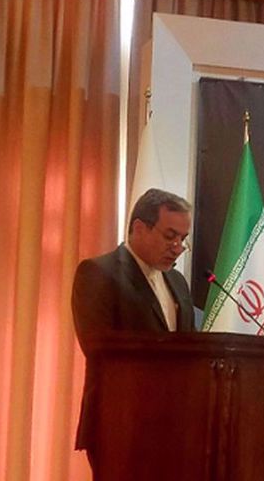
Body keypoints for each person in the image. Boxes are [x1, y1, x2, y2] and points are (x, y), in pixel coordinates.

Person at [71, 188, 196, 465]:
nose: (177, 247)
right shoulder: (98, 273)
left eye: (183, 239)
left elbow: (191, 350)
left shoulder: (177, 282)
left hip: (174, 426)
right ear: (139, 228)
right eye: (170, 236)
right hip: (120, 422)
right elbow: (99, 349)